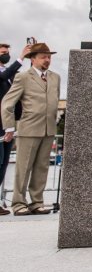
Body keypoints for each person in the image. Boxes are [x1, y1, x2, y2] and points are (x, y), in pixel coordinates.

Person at [1, 43, 60, 216]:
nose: (47, 60)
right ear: (33, 59)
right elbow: (7, 104)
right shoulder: (23, 77)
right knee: (23, 167)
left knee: (42, 168)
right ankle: (19, 203)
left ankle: (37, 202)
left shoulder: (55, 77)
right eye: (43, 57)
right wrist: (9, 127)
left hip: (48, 129)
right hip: (28, 128)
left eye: (49, 57)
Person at [0, 41, 31, 215]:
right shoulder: (4, 74)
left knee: (4, 164)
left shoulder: (9, 73)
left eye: (7, 52)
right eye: (3, 52)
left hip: (8, 125)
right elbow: (3, 78)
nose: (5, 54)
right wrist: (21, 58)